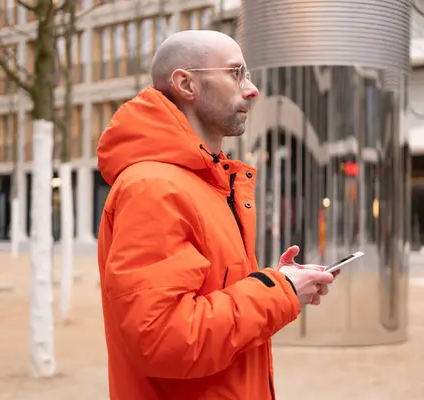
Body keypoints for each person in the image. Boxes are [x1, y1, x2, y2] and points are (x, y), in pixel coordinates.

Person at [96, 30, 337, 400]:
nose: (252, 89)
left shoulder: (209, 182)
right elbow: (163, 339)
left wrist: (282, 282)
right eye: (236, 73)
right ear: (185, 83)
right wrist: (279, 292)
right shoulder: (154, 188)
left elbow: (215, 303)